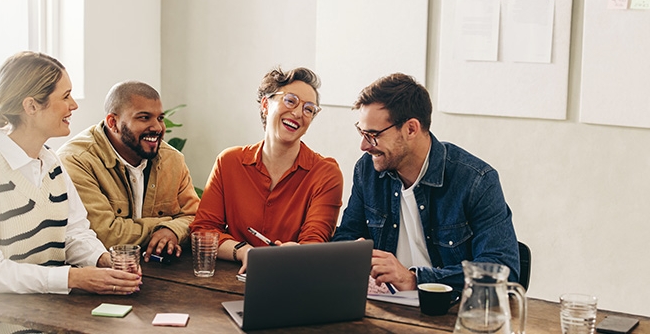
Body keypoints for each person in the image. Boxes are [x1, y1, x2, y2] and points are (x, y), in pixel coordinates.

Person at [0, 51, 142, 332]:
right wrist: (72, 278)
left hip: (52, 321)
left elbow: (74, 232)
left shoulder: (52, 162)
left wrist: (102, 260)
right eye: (65, 96)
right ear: (31, 106)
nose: (73, 105)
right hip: (0, 327)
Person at [332, 73, 519, 292]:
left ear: (411, 129)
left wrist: (414, 279)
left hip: (448, 313)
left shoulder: (476, 180)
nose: (364, 145)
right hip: (386, 307)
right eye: (361, 132)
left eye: (373, 135)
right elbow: (346, 237)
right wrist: (351, 255)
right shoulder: (367, 170)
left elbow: (502, 270)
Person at [189, 67, 343, 273]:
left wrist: (298, 252)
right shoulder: (229, 162)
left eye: (309, 109)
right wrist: (244, 252)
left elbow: (314, 242)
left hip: (292, 279)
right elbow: (204, 230)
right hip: (229, 279)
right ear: (265, 104)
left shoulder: (325, 173)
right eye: (290, 100)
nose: (298, 113)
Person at [58, 81, 200, 262]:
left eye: (160, 118)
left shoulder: (173, 159)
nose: (157, 127)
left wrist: (173, 230)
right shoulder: (77, 160)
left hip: (165, 273)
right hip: (102, 276)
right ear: (113, 122)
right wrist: (164, 227)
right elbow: (106, 235)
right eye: (144, 117)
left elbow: (196, 218)